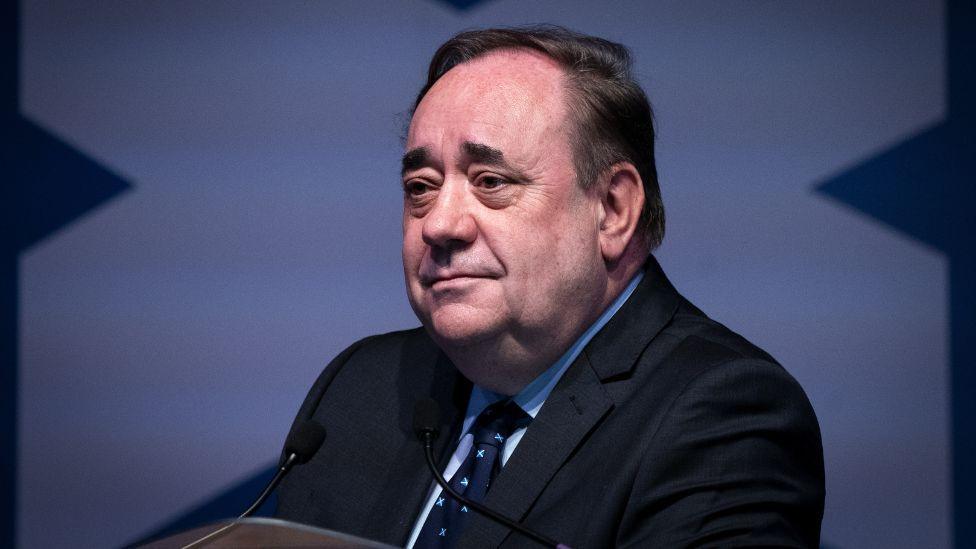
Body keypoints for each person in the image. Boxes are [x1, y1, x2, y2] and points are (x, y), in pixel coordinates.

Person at [276, 26, 824, 548]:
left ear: (612, 210)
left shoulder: (722, 415)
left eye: (491, 182)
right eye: (420, 187)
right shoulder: (361, 387)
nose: (439, 224)